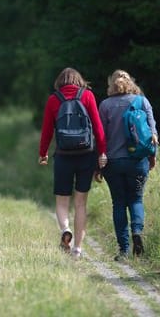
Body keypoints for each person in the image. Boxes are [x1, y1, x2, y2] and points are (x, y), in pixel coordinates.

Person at [39, 67, 108, 259]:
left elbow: (47, 131)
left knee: (62, 201)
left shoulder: (54, 99)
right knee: (80, 204)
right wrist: (102, 151)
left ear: (60, 82)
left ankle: (65, 230)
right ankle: (77, 249)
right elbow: (98, 127)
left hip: (63, 156)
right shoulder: (87, 96)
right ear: (79, 81)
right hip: (86, 155)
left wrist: (43, 153)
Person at [98, 69, 158, 261]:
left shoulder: (105, 105)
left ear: (111, 84)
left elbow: (100, 137)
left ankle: (123, 250)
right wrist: (152, 156)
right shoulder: (142, 102)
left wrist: (97, 164)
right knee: (136, 200)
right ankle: (137, 232)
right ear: (130, 82)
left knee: (119, 203)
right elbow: (152, 132)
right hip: (138, 160)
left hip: (113, 162)